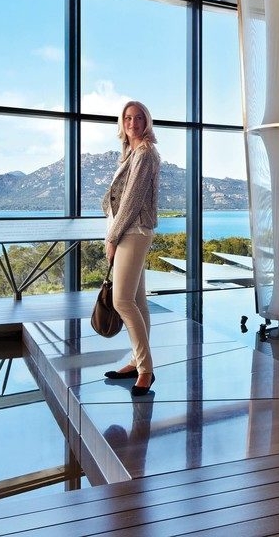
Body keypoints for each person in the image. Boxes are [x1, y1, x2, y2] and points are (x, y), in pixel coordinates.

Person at [100, 100, 160, 397]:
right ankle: (137, 362)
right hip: (128, 230)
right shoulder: (131, 153)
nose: (133, 123)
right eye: (127, 118)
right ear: (122, 123)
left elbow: (133, 200)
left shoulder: (145, 153)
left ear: (146, 122)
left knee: (122, 300)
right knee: (137, 299)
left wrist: (112, 237)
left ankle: (146, 370)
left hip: (133, 232)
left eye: (138, 118)